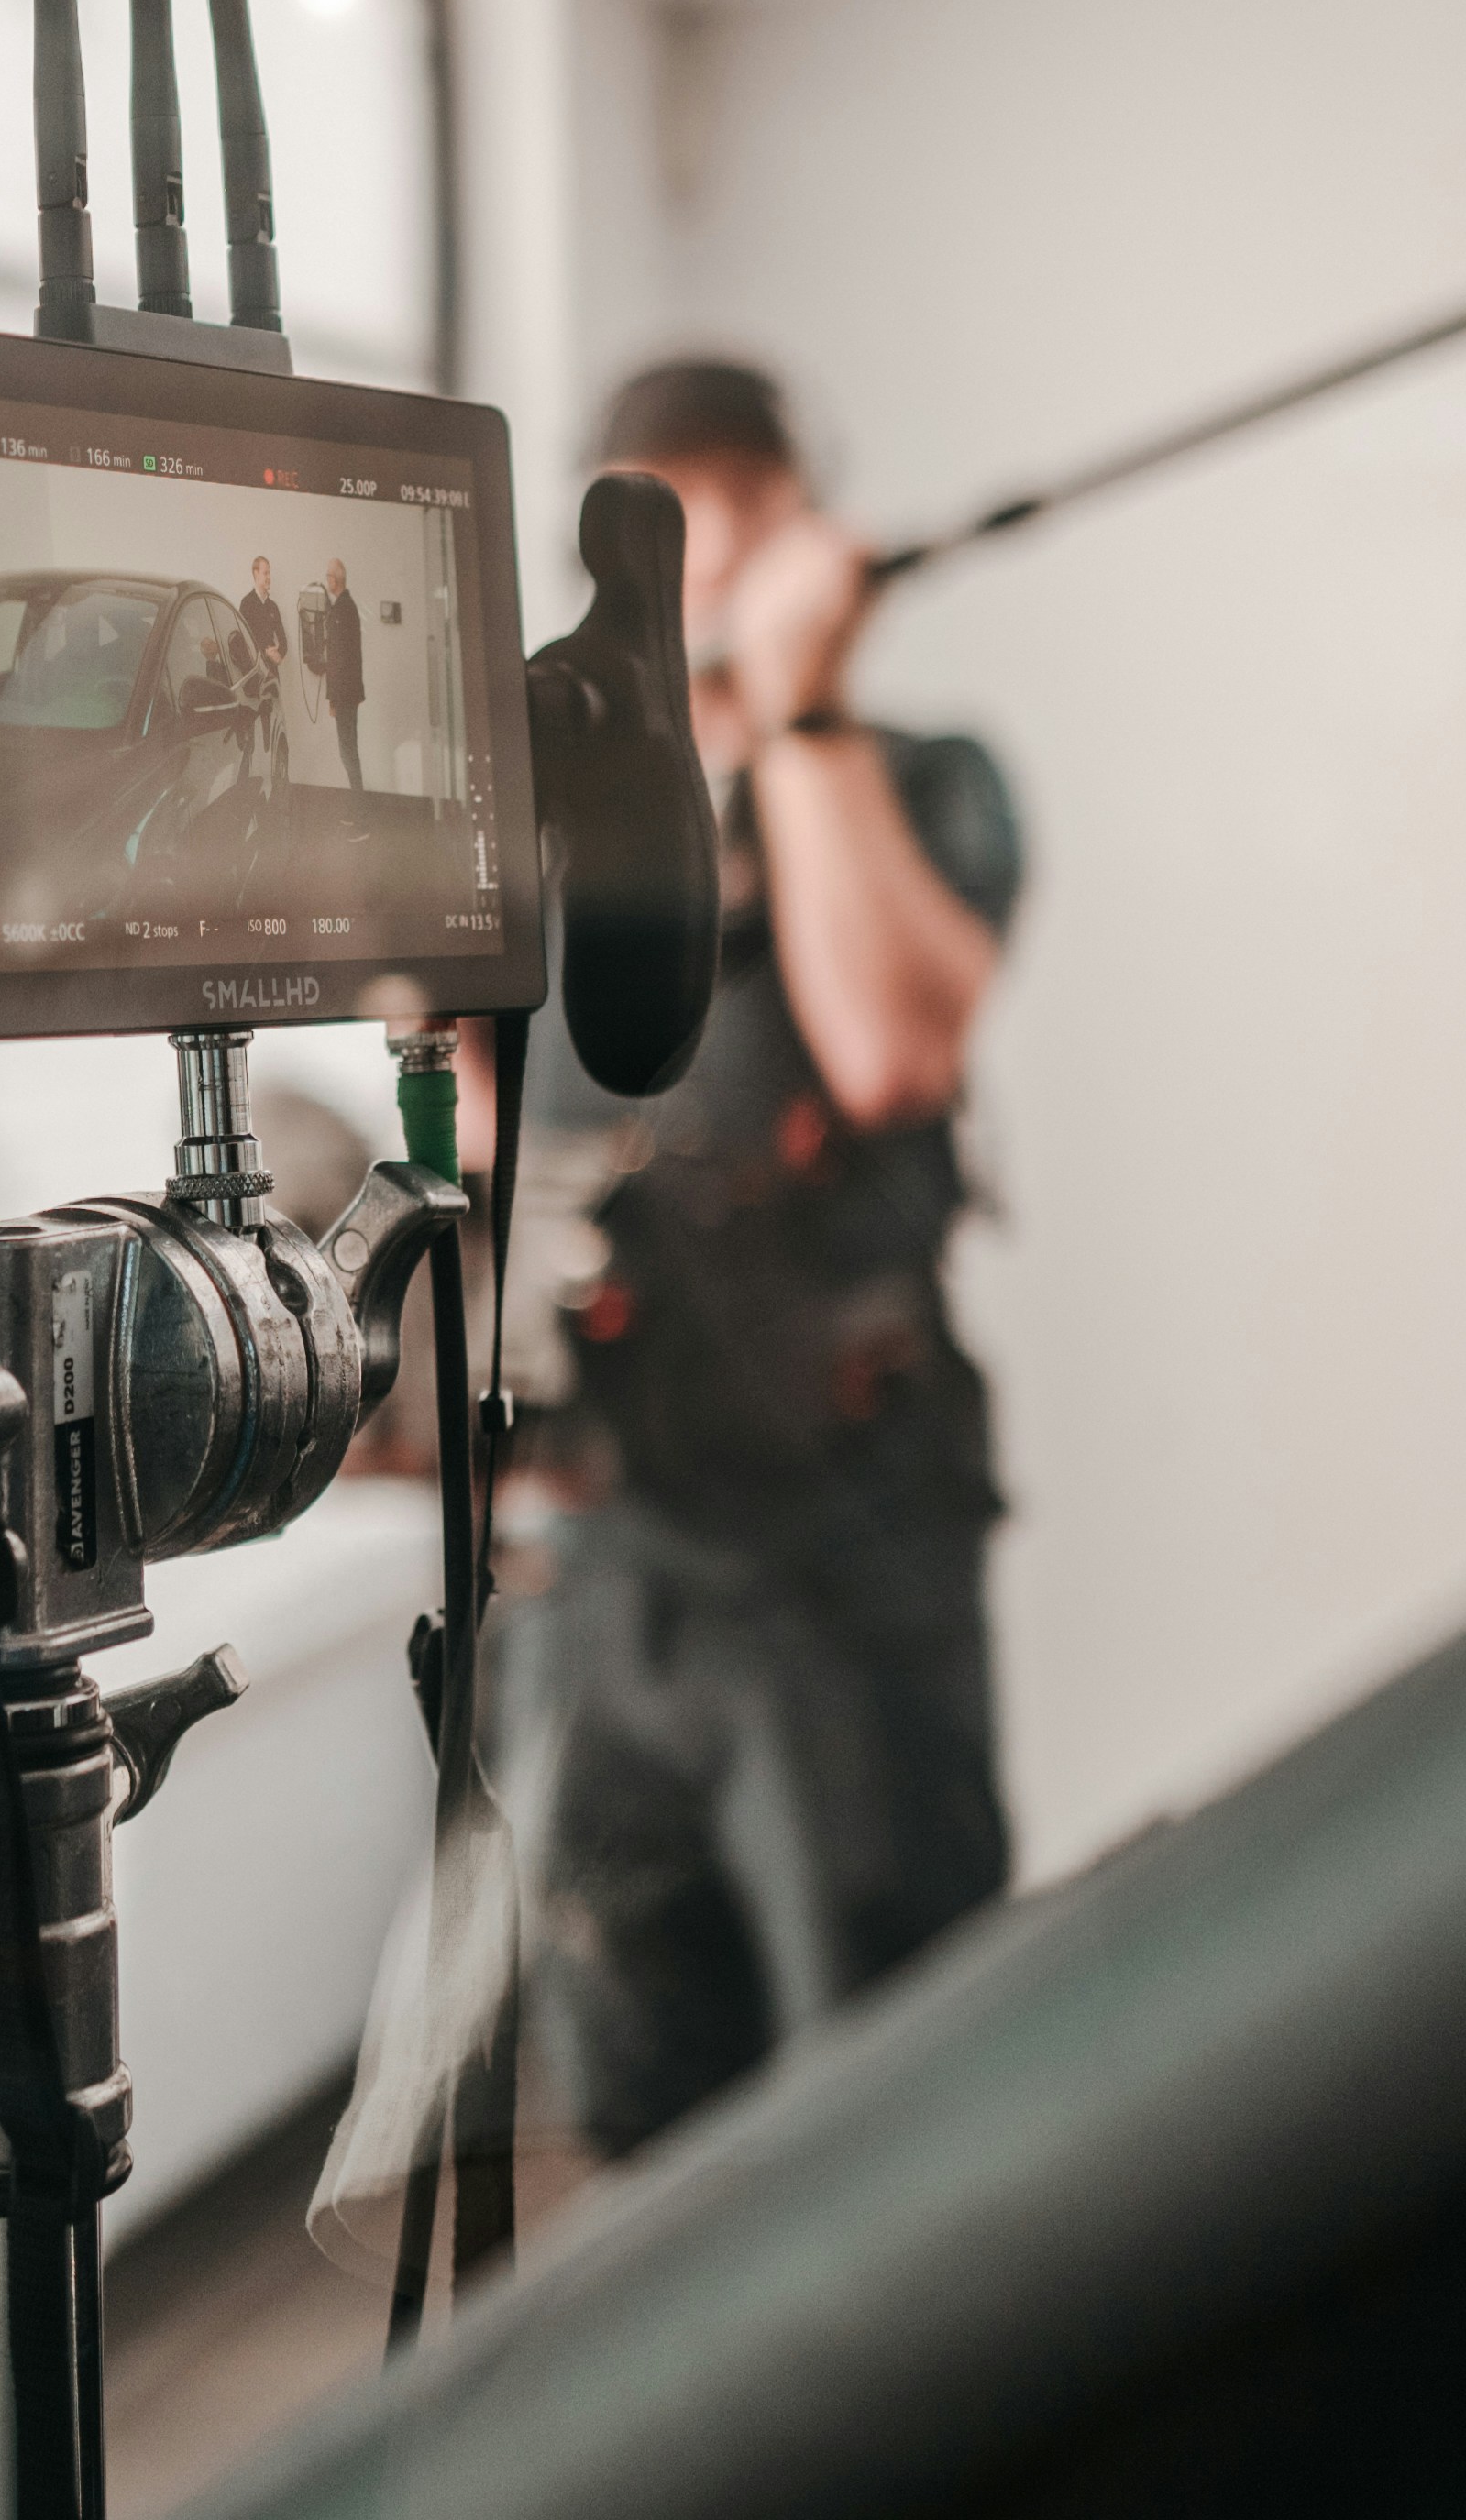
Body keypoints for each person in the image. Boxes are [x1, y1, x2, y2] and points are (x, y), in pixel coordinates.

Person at [499, 353, 1022, 2157]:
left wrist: (797, 713)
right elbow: (494, 1136)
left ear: (816, 534)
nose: (712, 568)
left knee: (898, 2089)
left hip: (847, 1555)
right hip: (600, 1569)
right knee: (637, 2089)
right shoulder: (547, 828)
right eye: (669, 532)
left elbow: (892, 1052)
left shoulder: (924, 782)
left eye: (752, 521)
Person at [303, 552, 367, 787]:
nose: (326, 579)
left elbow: (339, 658)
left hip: (344, 694)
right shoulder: (346, 607)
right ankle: (358, 800)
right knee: (350, 750)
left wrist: (333, 699)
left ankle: (358, 802)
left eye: (328, 575)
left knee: (347, 752)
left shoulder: (342, 610)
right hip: (349, 693)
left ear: (334, 579)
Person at [238, 552, 293, 787]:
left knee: (273, 725)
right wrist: (263, 651)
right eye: (266, 572)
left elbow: (283, 641)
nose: (269, 577)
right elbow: (242, 641)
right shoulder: (246, 604)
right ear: (255, 574)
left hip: (271, 677)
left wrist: (279, 655)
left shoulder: (273, 607)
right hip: (253, 678)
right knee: (253, 728)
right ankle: (251, 780)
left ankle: (273, 782)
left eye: (270, 573)